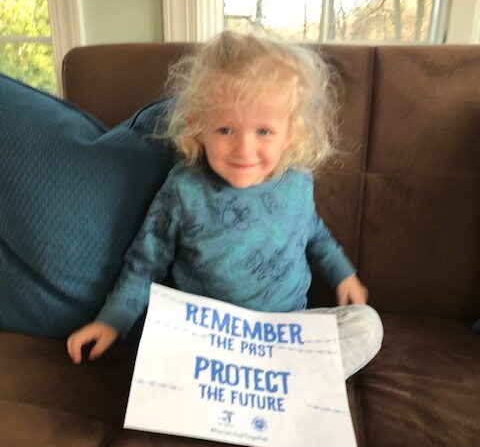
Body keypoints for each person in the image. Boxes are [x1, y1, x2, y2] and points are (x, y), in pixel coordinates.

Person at [67, 30, 383, 377]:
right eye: (225, 130)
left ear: (291, 133)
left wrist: (343, 273)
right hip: (208, 335)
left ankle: (290, 378)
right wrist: (112, 321)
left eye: (263, 131)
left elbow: (314, 234)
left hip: (286, 331)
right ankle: (265, 380)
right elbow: (146, 263)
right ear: (198, 128)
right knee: (157, 341)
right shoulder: (184, 189)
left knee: (367, 325)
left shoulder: (297, 182)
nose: (244, 148)